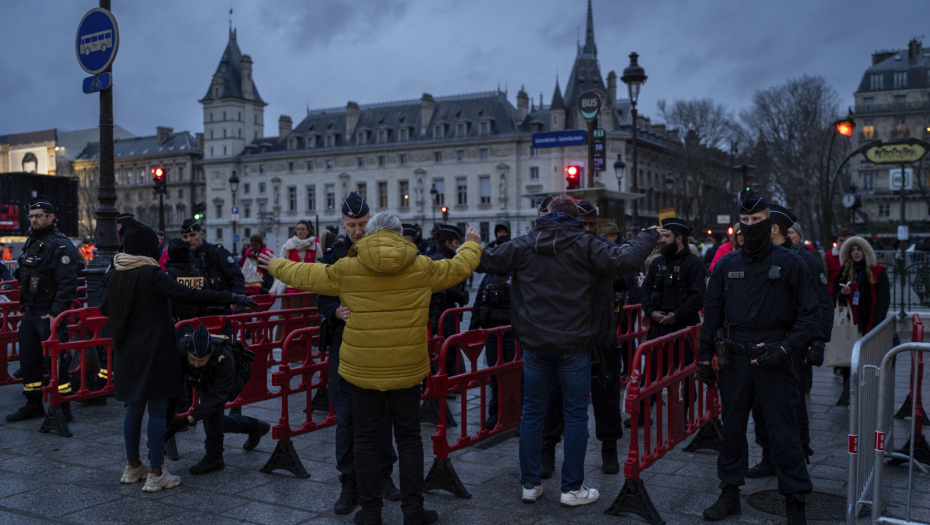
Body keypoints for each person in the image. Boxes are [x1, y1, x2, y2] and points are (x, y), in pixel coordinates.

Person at [259, 211, 482, 525]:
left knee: (364, 440)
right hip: (406, 368)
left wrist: (276, 264)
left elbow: (306, 275)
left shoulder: (348, 267)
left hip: (362, 369)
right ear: (399, 233)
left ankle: (371, 513)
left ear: (371, 232)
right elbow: (459, 267)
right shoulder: (422, 265)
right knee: (408, 439)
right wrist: (471, 245)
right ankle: (413, 512)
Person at [478, 195, 658, 508]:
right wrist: (651, 234)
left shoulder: (525, 243)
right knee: (576, 415)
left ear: (547, 214)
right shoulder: (586, 244)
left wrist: (468, 243)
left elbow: (485, 261)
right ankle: (571, 488)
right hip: (575, 344)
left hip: (535, 344)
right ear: (575, 218)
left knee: (533, 412)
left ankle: (530, 484)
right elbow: (627, 260)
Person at [100, 220, 257, 492]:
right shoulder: (151, 273)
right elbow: (191, 294)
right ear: (148, 249)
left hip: (127, 351)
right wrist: (232, 296)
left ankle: (133, 466)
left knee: (134, 411)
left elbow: (104, 308)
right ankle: (157, 473)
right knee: (158, 411)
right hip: (157, 352)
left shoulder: (116, 273)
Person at [697, 195, 818, 524]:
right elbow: (711, 316)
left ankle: (795, 502)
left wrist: (785, 349)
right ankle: (729, 493)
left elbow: (810, 316)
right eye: (745, 221)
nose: (751, 226)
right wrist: (704, 359)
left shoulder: (792, 263)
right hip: (735, 359)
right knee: (733, 430)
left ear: (770, 222)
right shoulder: (726, 265)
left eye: (758, 220)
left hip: (775, 358)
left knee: (783, 431)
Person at [316, 193, 401, 515]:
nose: (358, 230)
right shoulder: (335, 255)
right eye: (352, 225)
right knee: (348, 419)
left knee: (383, 416)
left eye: (363, 224)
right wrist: (334, 312)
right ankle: (348, 484)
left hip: (378, 344)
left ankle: (383, 477)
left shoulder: (385, 253)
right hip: (344, 343)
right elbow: (322, 295)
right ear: (342, 224)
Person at [540, 200, 628, 476]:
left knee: (606, 396)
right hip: (566, 335)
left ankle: (609, 449)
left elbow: (627, 275)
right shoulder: (563, 246)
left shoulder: (604, 247)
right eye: (584, 224)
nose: (588, 229)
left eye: (593, 224)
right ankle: (547, 451)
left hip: (601, 334)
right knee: (554, 397)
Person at [746, 205, 834, 479]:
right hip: (762, 343)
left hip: (794, 344)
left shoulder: (804, 261)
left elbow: (822, 305)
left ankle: (800, 454)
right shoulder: (759, 258)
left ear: (773, 228)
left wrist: (819, 342)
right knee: (760, 404)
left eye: (759, 222)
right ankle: (768, 456)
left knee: (791, 403)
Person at [164, 325, 271, 475]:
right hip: (204, 377)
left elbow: (215, 399)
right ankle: (254, 427)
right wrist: (168, 422)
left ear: (210, 354)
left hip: (236, 374)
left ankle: (215, 459)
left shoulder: (224, 358)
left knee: (211, 413)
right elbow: (174, 388)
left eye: (201, 360)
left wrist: (185, 420)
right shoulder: (179, 351)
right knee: (212, 418)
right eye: (193, 359)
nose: (195, 363)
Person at [6, 201, 77, 423]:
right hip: (31, 311)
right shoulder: (32, 241)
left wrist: (56, 312)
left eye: (38, 216)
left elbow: (68, 283)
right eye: (31, 216)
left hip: (48, 314)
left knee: (55, 363)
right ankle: (33, 404)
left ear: (50, 217)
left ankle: (63, 408)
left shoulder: (61, 245)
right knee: (28, 361)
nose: (34, 220)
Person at [632, 218, 707, 427]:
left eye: (666, 236)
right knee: (652, 372)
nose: (662, 239)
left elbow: (697, 296)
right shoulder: (657, 263)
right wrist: (651, 311)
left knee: (684, 374)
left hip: (683, 328)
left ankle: (682, 415)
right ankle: (643, 412)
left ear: (679, 238)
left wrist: (676, 314)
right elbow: (645, 290)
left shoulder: (694, 265)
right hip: (658, 327)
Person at [469, 218, 520, 430]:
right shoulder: (489, 274)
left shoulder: (517, 271)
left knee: (516, 373)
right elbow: (480, 298)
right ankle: (495, 413)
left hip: (512, 331)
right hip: (492, 331)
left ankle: (515, 414)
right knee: (494, 374)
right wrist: (472, 328)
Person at [832, 236, 890, 379]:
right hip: (850, 324)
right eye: (852, 250)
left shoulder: (877, 271)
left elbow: (884, 299)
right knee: (849, 362)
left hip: (870, 323)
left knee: (868, 361)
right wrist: (843, 294)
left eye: (859, 250)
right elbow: (833, 296)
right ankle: (848, 393)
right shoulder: (845, 271)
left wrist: (877, 323)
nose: (856, 253)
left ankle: (866, 393)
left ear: (866, 251)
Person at [181, 218, 245, 326]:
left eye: (192, 235)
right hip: (195, 314)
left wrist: (240, 302)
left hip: (219, 312)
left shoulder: (218, 253)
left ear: (201, 234)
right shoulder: (184, 258)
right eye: (185, 237)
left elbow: (236, 276)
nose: (189, 240)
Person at [824, 228, 853, 294]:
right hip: (833, 294)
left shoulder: (857, 256)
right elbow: (825, 279)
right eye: (841, 240)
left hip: (853, 294)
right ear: (837, 241)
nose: (844, 243)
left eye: (847, 240)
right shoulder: (827, 256)